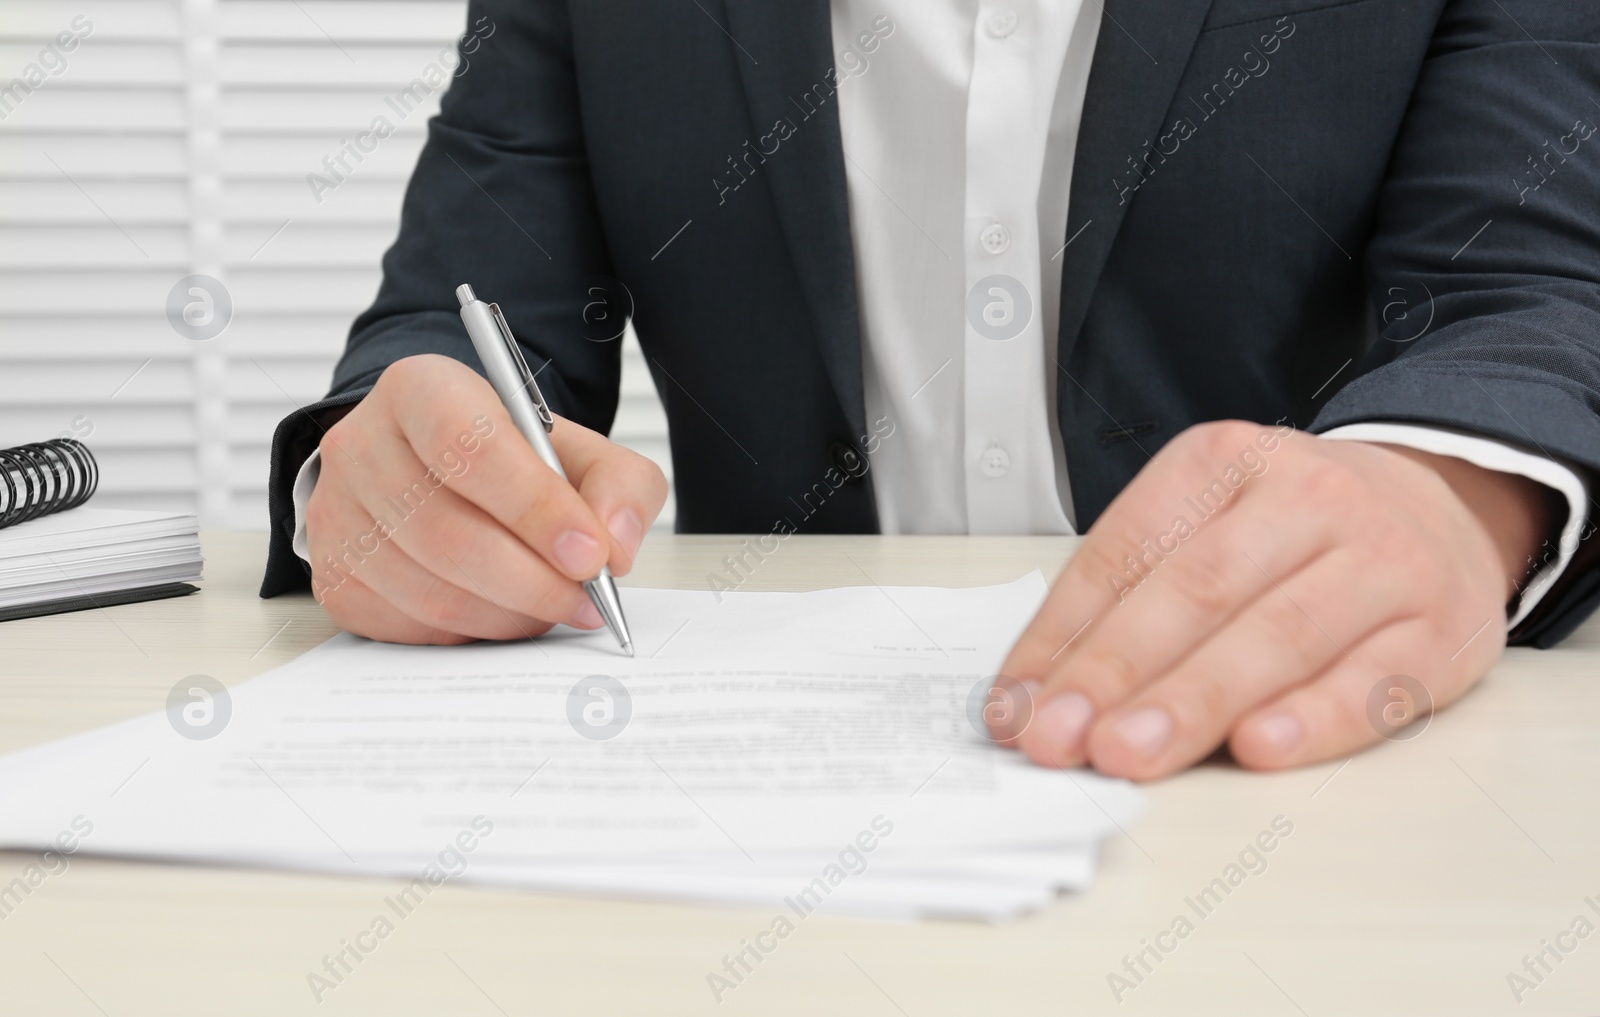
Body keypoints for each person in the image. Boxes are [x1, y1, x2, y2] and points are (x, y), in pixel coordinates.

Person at [261, 0, 1600, 781]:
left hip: (1292, 773)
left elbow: (1535, 290)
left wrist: (1445, 494)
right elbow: (463, 325)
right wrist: (380, 477)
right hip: (750, 797)